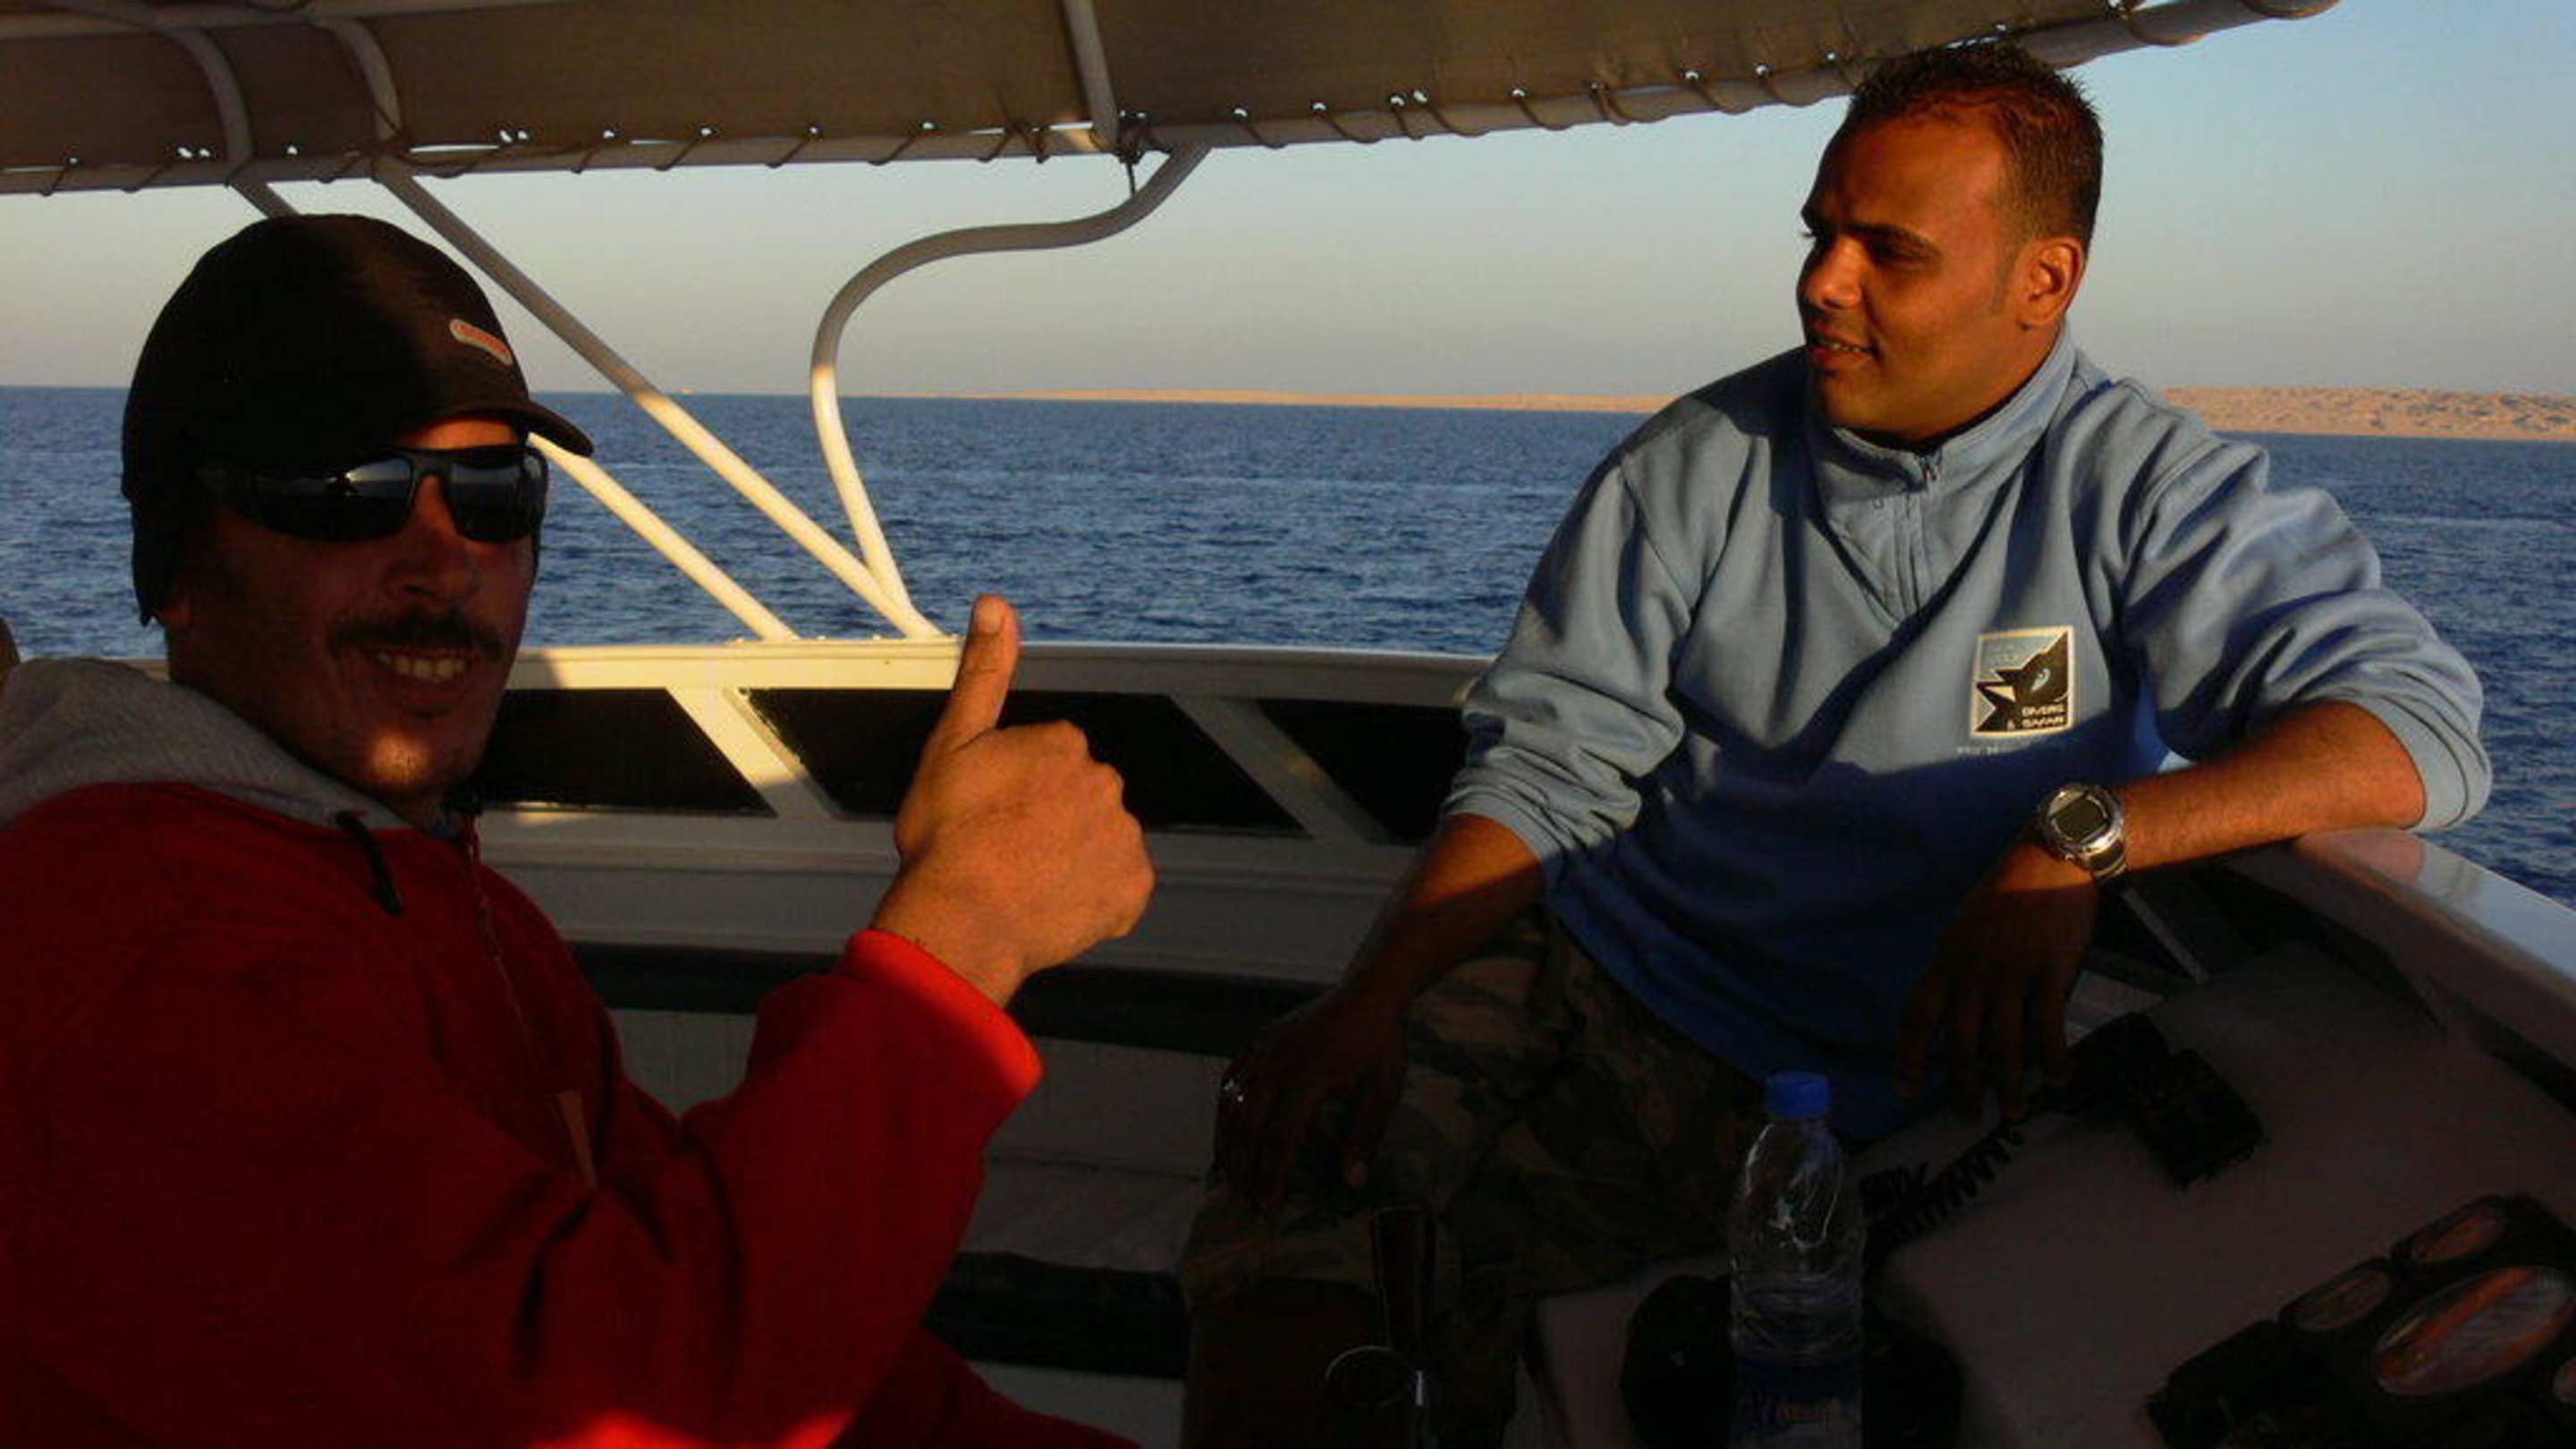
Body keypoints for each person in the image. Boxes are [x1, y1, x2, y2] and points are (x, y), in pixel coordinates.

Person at [1179, 40, 2488, 1449]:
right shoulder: (1699, 461)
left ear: (2042, 281)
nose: (1823, 282)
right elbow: (1549, 769)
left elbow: (2414, 731)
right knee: (1297, 1199)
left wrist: (2079, 842)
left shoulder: (2145, 489)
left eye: (1889, 252)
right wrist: (1370, 997)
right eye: (1819, 234)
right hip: (1603, 983)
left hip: (1896, 1094)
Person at [0, 215, 1155, 1447]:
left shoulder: (445, 903)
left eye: (495, 494)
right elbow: (618, 1402)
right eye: (353, 494)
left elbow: (681, 1261)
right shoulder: (132, 944)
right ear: (180, 559)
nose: (446, 562)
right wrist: (957, 948)